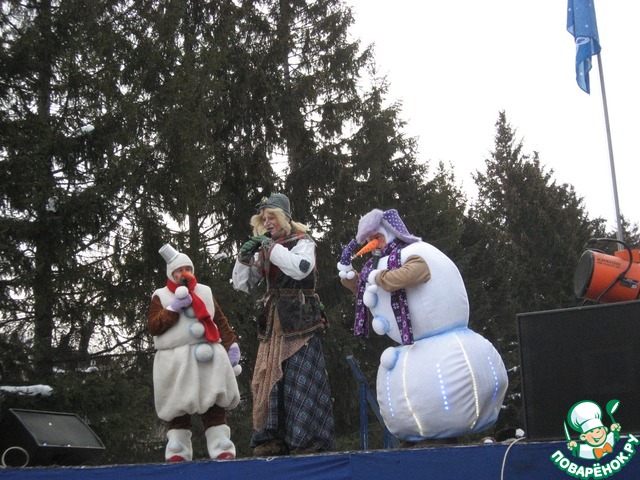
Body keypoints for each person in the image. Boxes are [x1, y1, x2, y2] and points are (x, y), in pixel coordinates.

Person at [232, 193, 336, 456]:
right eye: (263, 219)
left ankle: (307, 440)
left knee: (300, 379)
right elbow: (243, 284)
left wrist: (270, 249)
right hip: (273, 324)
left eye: (272, 218)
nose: (267, 223)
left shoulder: (303, 242)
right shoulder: (267, 248)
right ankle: (272, 440)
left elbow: (300, 268)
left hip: (301, 323)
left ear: (285, 218)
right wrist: (243, 258)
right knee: (268, 379)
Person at [149, 244, 241, 462]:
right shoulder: (161, 296)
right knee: (177, 405)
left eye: (187, 269)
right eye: (179, 270)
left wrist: (231, 345)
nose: (184, 273)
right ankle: (178, 448)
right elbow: (154, 326)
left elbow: (219, 320)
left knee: (214, 402)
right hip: (176, 360)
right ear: (171, 273)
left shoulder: (205, 292)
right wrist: (174, 308)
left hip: (209, 358)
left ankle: (221, 445)